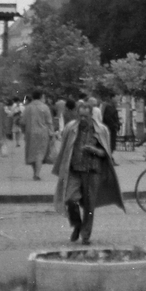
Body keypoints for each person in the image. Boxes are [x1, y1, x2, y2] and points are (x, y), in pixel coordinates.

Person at [54, 100, 126, 243]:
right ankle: (77, 224)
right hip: (74, 170)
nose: (82, 119)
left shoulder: (101, 130)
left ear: (91, 115)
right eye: (80, 116)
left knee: (89, 205)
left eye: (85, 116)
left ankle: (85, 235)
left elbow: (106, 153)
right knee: (70, 199)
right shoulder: (70, 128)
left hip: (92, 171)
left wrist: (95, 151)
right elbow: (64, 150)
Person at [22, 91, 54, 182]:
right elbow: (49, 122)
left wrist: (24, 131)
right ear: (41, 96)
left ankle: (35, 172)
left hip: (30, 133)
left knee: (32, 153)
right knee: (40, 153)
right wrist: (52, 133)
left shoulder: (28, 108)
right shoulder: (45, 107)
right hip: (43, 133)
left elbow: (22, 122)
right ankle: (37, 174)